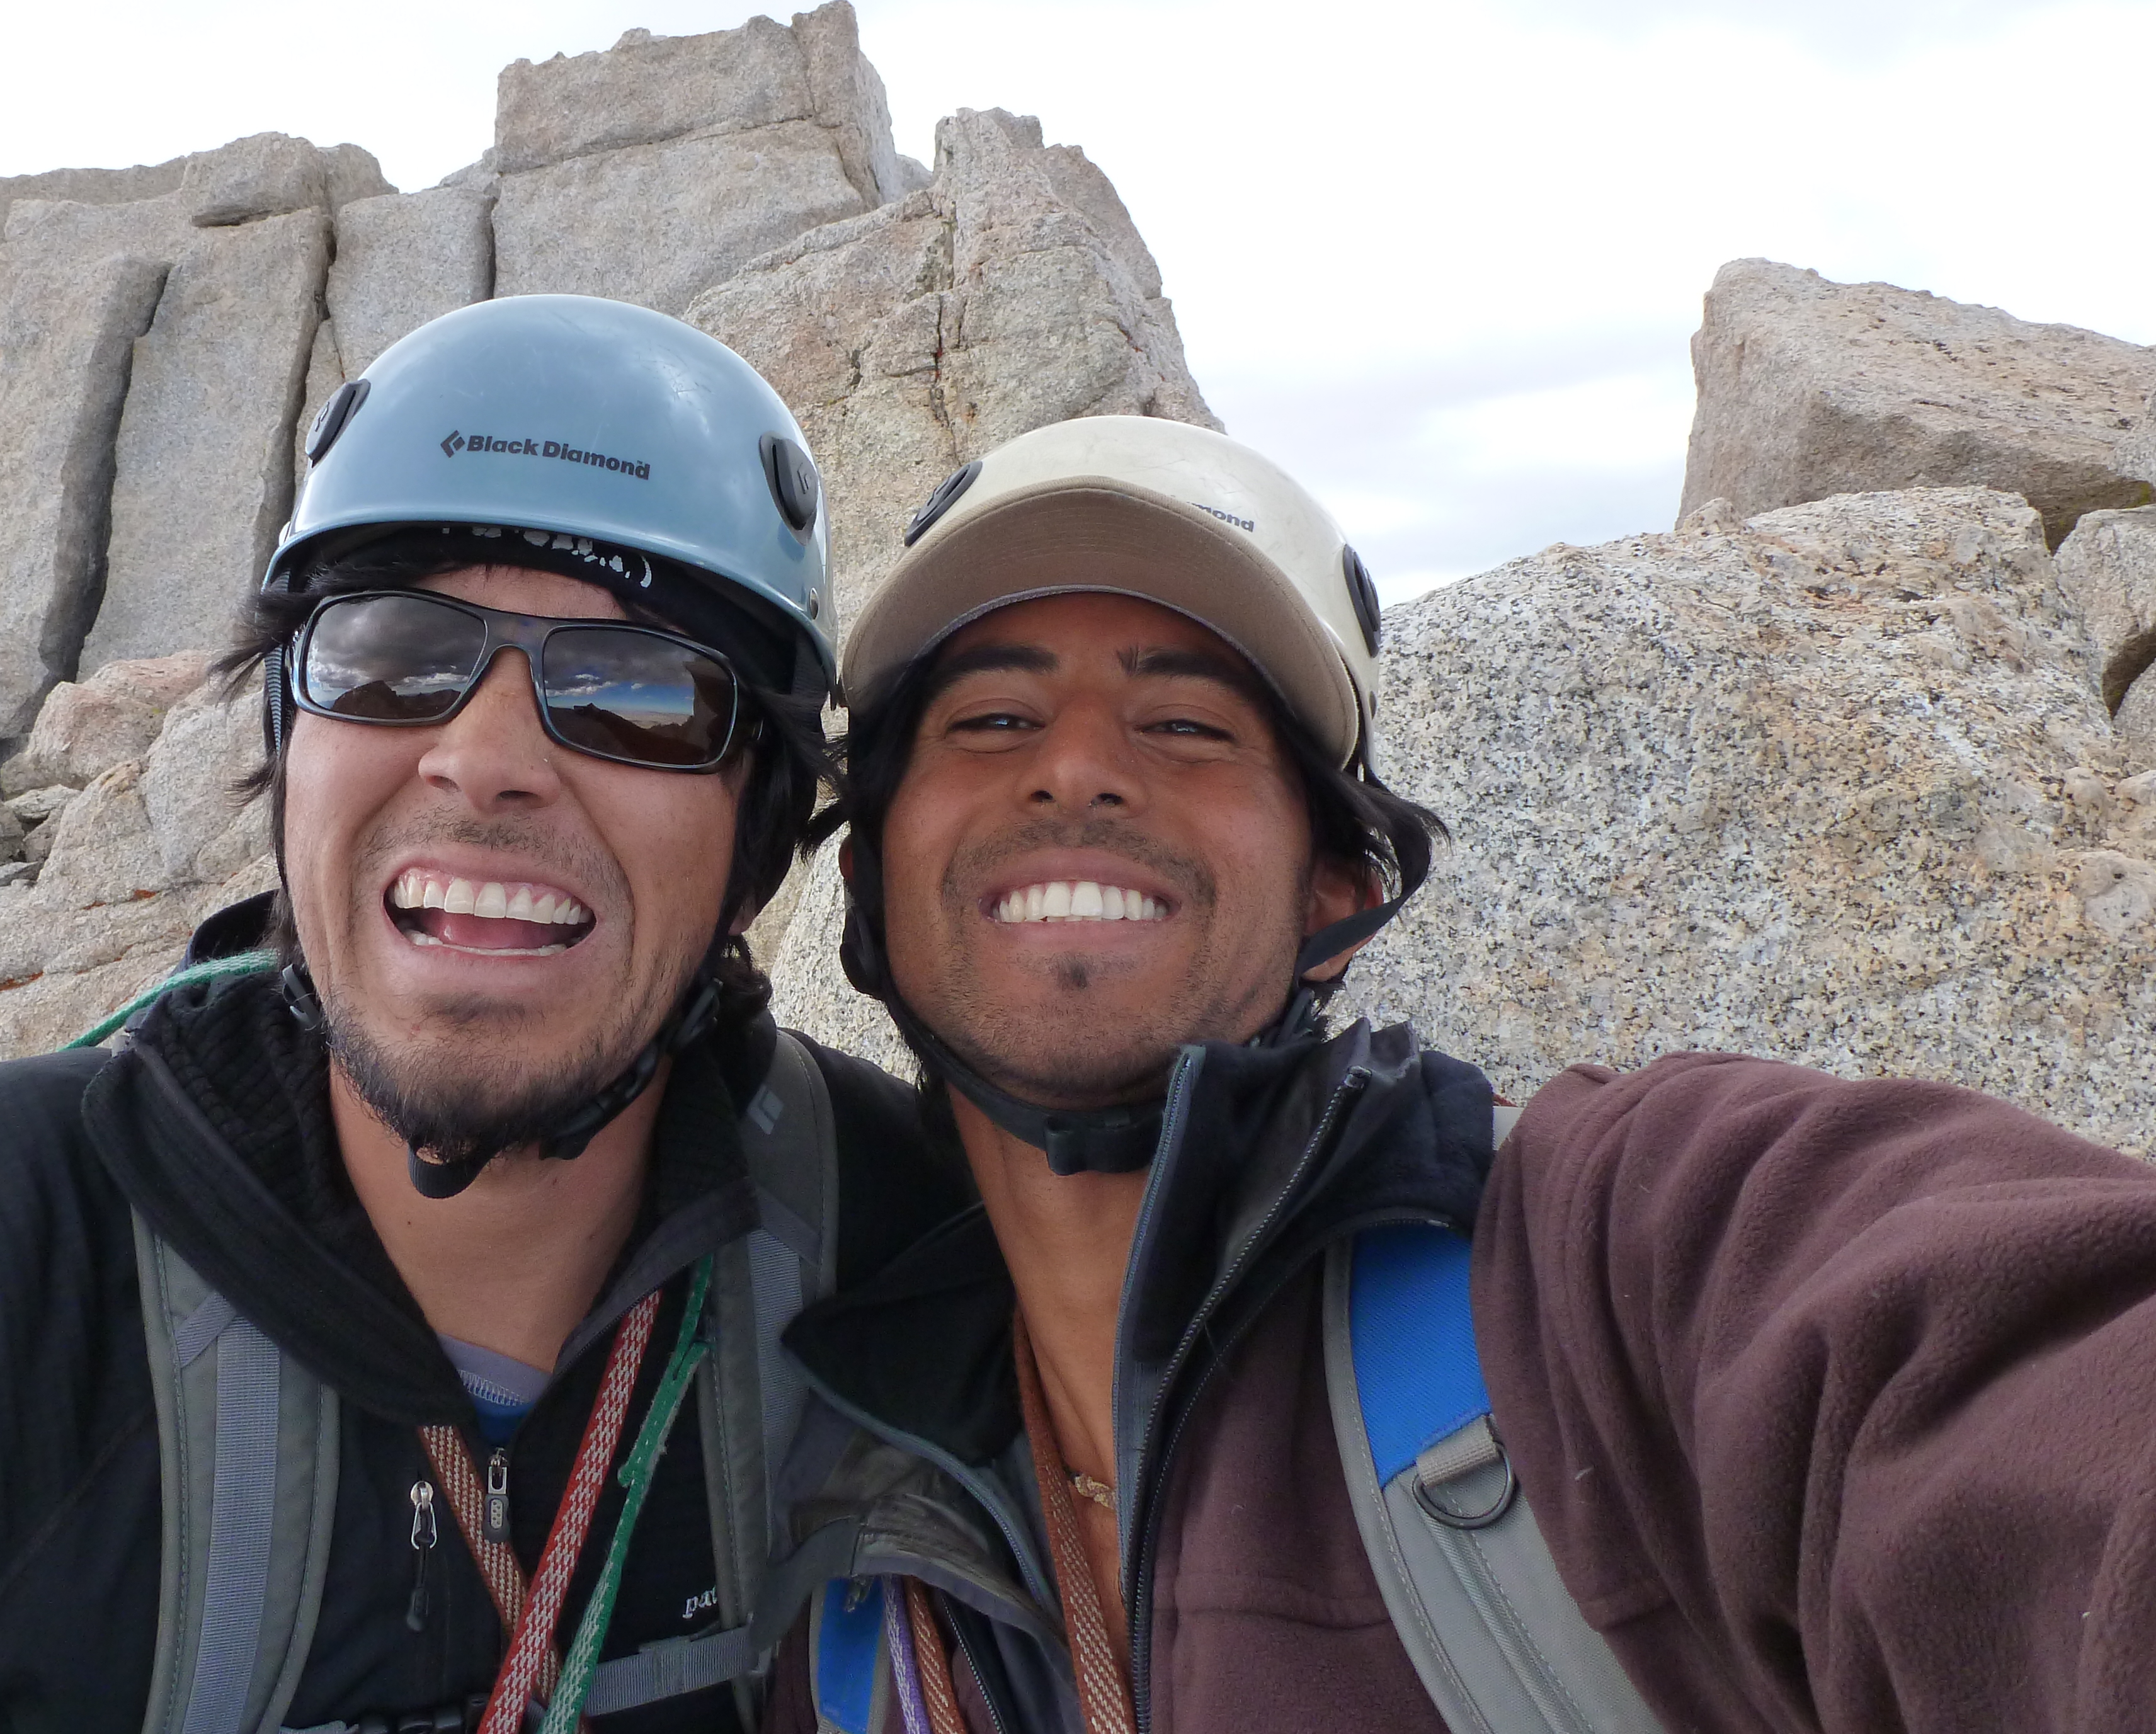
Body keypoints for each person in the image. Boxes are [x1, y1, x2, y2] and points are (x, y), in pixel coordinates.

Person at [0, 295, 961, 1734]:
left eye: (639, 695)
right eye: (390, 659)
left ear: (761, 838)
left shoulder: (885, 1231)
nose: (486, 760)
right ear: (290, 756)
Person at [768, 416, 2156, 1734]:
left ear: (1334, 890)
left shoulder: (1618, 1258)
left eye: (1187, 725)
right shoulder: (830, 1547)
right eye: (991, 722)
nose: (1076, 767)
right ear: (869, 880)